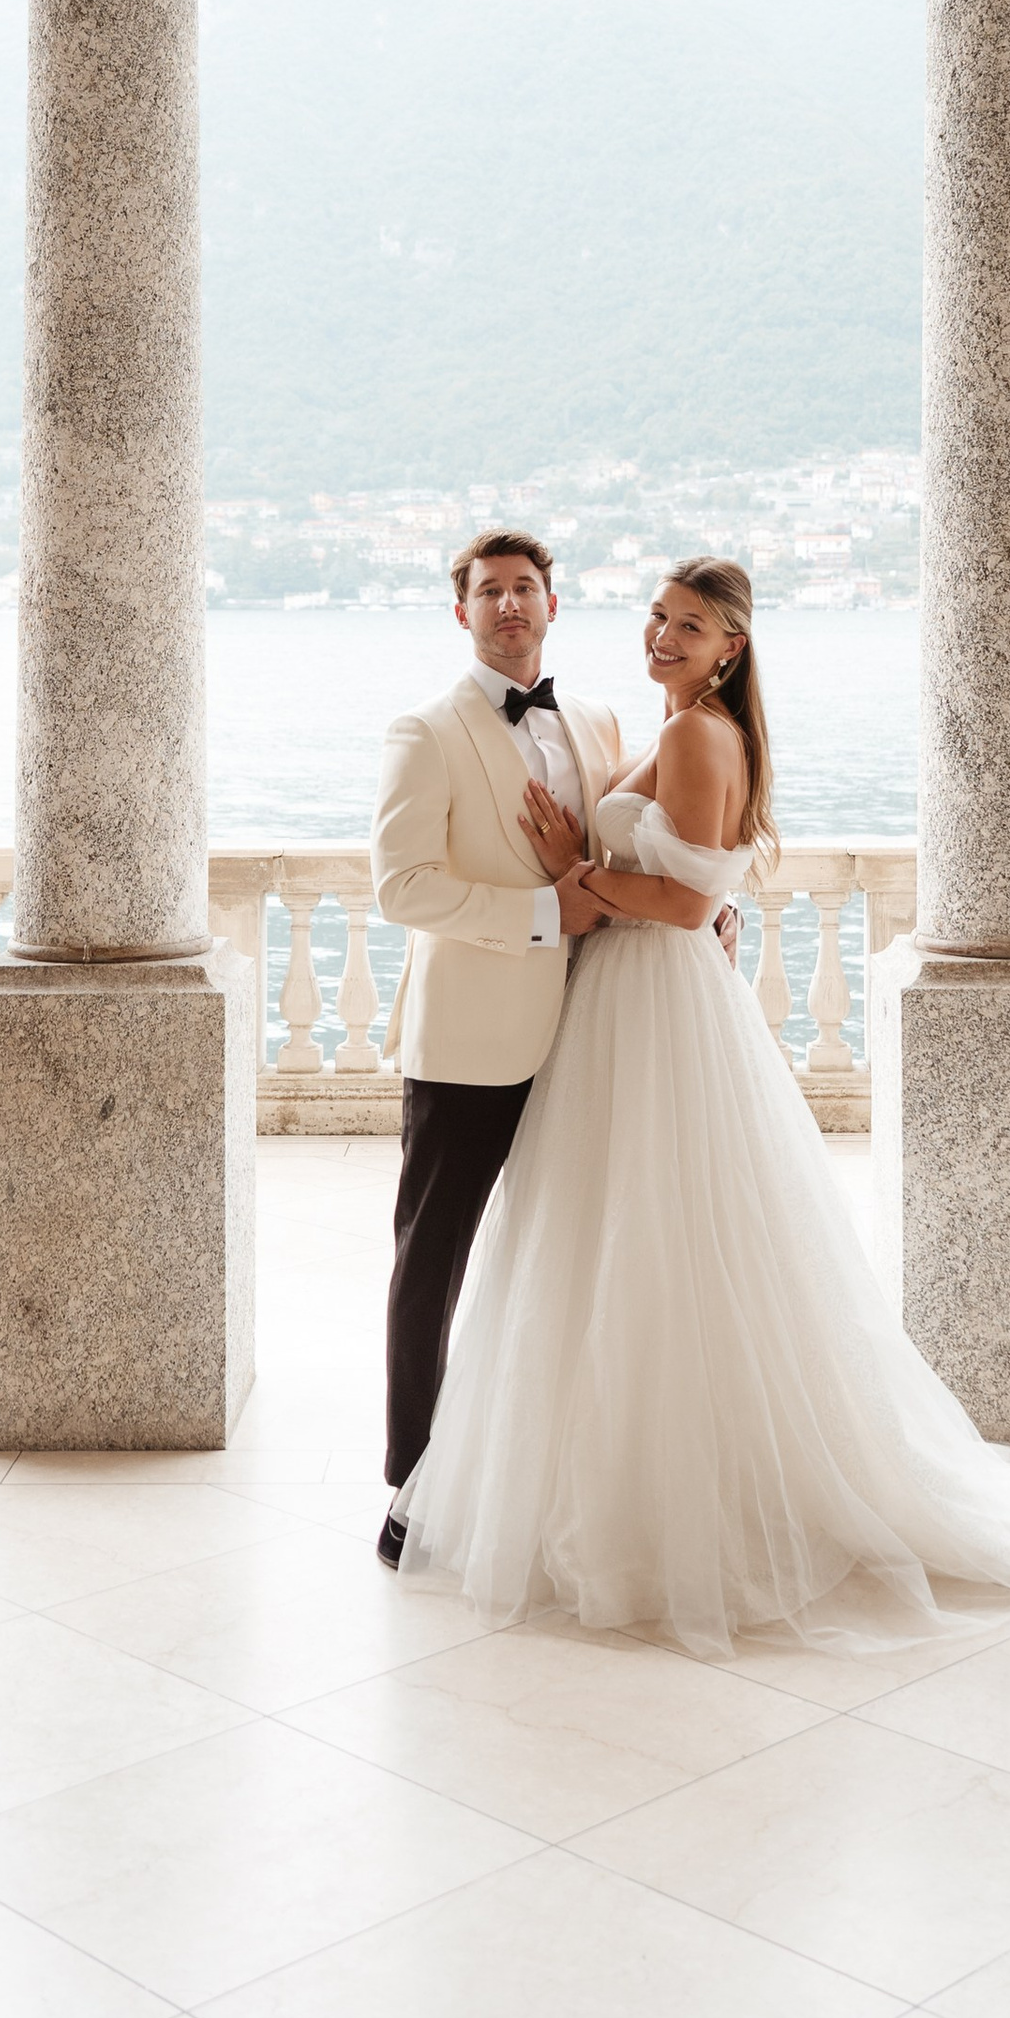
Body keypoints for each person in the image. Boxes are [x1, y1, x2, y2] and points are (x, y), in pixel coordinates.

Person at [393, 555, 1010, 1659]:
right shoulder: (642, 724)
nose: (663, 636)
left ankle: (666, 1501)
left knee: (657, 1236)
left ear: (731, 647)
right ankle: (557, 1476)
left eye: (690, 625)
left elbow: (689, 899)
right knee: (614, 1236)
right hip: (615, 998)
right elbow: (688, 878)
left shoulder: (698, 732)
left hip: (654, 997)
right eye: (658, 616)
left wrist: (583, 874)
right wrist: (620, 877)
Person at [366, 527, 625, 1565]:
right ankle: (411, 1489)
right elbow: (401, 887)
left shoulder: (597, 721)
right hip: (471, 1041)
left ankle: (551, 1478)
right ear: (461, 611)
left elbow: (627, 852)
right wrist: (541, 915)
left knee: (576, 1256)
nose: (509, 605)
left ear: (553, 605)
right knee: (433, 1260)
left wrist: (703, 911)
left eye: (525, 588)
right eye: (489, 592)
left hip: (594, 1027)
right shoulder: (425, 732)